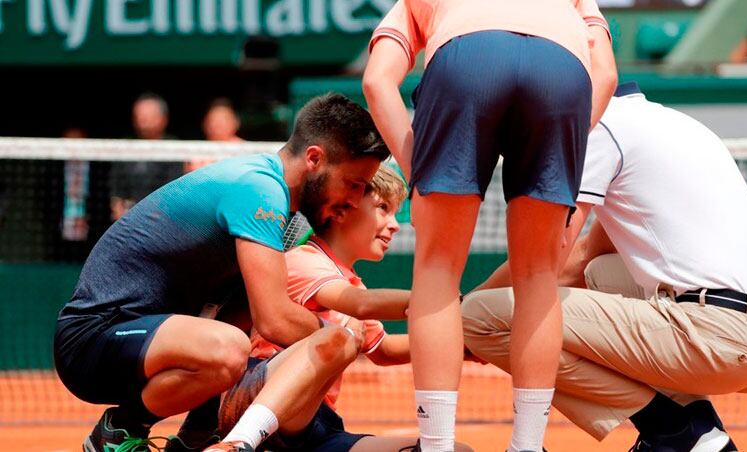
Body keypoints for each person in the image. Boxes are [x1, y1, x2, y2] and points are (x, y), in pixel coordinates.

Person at [461, 83, 747, 451]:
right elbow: (583, 262)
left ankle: (672, 429)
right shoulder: (670, 123)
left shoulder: (597, 130)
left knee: (478, 316)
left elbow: (546, 258)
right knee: (601, 275)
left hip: (722, 337)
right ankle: (699, 426)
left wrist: (458, 316)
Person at [53, 93, 390, 452]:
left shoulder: (275, 200)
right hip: (94, 337)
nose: (355, 200)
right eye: (353, 183)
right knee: (229, 350)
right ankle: (119, 429)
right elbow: (275, 320)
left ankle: (197, 436)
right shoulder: (260, 190)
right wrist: (342, 339)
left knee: (236, 323)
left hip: (148, 340)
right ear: (314, 159)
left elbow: (241, 317)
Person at [362, 1, 618, 450]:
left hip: (467, 60)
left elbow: (377, 79)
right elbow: (606, 75)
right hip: (563, 71)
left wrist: (416, 169)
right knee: (539, 274)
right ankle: (528, 445)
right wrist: (565, 147)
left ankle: (437, 445)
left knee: (438, 268)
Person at [203, 165, 472, 452]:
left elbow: (383, 351)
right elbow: (361, 305)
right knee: (340, 336)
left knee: (458, 451)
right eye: (383, 208)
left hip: (313, 427)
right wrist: (448, 302)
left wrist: (462, 344)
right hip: (256, 395)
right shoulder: (304, 259)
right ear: (342, 210)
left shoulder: (352, 282)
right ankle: (238, 442)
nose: (395, 225)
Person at [110, 92, 183, 220]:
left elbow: (173, 193)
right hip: (128, 221)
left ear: (163, 118)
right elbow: (117, 192)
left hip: (163, 220)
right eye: (139, 115)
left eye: (149, 115)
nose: (143, 120)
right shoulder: (124, 147)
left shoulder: (174, 148)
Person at [186, 99, 244, 173]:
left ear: (235, 123)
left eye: (223, 119)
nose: (217, 124)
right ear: (205, 123)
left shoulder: (246, 150)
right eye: (213, 120)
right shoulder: (195, 151)